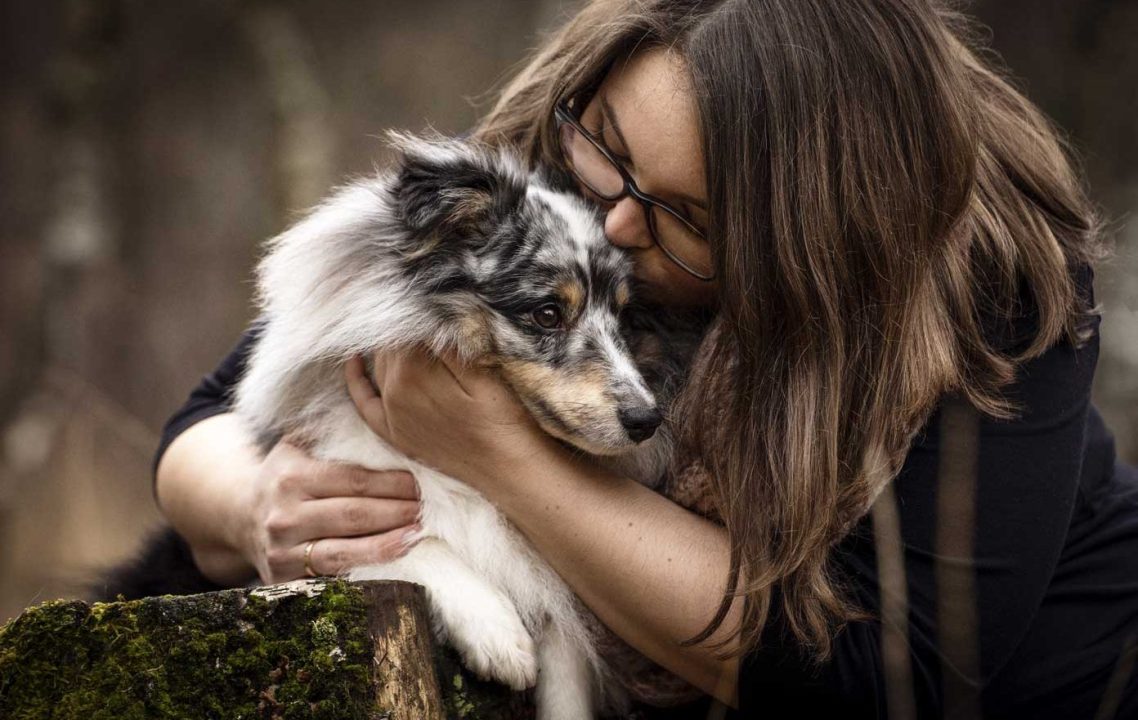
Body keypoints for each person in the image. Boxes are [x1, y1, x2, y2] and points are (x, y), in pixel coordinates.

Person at [153, 1, 1138, 716]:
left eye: (686, 217)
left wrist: (506, 456)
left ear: (806, 240)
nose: (616, 224)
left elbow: (880, 674)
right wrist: (257, 507)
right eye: (610, 150)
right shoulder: (544, 161)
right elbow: (206, 425)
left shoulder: (998, 287)